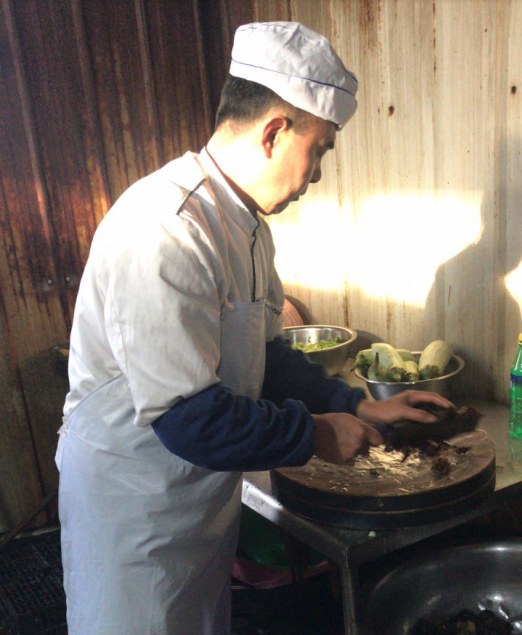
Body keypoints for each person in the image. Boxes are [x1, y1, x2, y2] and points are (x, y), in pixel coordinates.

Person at [56, 21, 451, 635]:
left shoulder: (248, 229)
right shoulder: (165, 229)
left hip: (197, 504)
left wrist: (355, 404)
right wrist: (315, 432)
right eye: (319, 149)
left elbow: (266, 355)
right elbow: (189, 419)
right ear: (274, 132)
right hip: (133, 517)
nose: (316, 174)